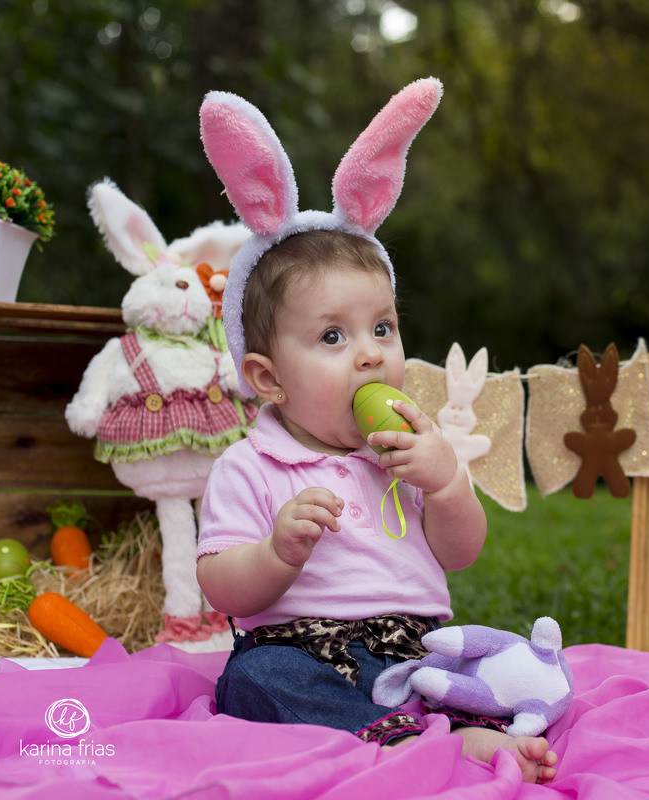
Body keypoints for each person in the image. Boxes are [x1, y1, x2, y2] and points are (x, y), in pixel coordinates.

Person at [194, 82, 558, 783]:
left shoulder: (407, 450)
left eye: (382, 327)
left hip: (416, 648)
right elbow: (224, 589)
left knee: (497, 656)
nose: (370, 352)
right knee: (253, 679)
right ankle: (414, 741)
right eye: (333, 335)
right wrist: (278, 551)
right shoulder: (252, 465)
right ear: (269, 379)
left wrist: (448, 482)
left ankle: (451, 722)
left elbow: (461, 554)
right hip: (304, 646)